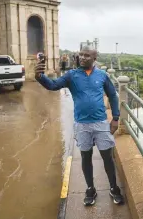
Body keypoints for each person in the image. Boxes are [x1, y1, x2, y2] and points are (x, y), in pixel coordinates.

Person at [34, 46, 124, 206]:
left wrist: (115, 118)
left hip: (101, 123)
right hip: (82, 124)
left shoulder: (102, 75)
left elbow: (112, 95)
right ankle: (90, 189)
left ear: (94, 58)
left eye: (87, 55)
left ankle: (113, 187)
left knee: (107, 157)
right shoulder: (71, 75)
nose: (82, 57)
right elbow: (53, 85)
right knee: (85, 157)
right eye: (81, 54)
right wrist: (39, 76)